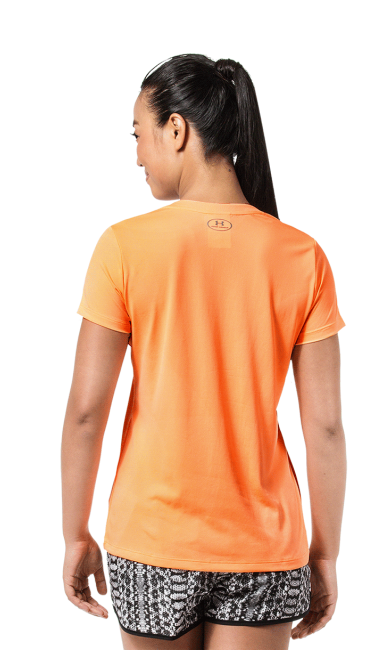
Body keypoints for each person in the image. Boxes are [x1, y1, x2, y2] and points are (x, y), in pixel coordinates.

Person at [61, 53, 347, 650]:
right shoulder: (303, 256)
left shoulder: (124, 247)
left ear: (176, 130)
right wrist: (325, 554)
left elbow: (86, 413)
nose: (138, 156)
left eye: (138, 135)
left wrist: (75, 535)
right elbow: (324, 427)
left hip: (150, 543)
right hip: (264, 549)